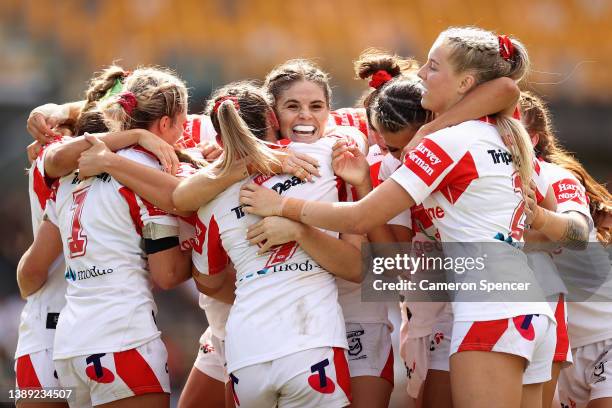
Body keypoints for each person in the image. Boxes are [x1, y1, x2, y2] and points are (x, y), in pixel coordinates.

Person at [239, 27, 559, 408]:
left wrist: (284, 208)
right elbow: (506, 89)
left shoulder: (443, 143)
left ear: (464, 83)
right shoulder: (497, 127)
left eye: (433, 66)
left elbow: (362, 221)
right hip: (526, 305)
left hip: (486, 312)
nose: (421, 72)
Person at [22, 66, 193, 408]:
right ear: (164, 123)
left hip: (58, 344)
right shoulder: (151, 169)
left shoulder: (67, 169)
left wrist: (52, 111)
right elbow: (167, 273)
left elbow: (28, 274)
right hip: (123, 338)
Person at [192, 78, 367, 407]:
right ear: (274, 117)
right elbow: (357, 268)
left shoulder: (207, 190)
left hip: (245, 351)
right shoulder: (325, 157)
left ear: (219, 136)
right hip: (310, 341)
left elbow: (206, 280)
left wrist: (256, 278)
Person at [520, 91, 612, 408]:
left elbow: (576, 230)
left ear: (533, 139)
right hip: (566, 344)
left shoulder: (557, 177)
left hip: (607, 334)